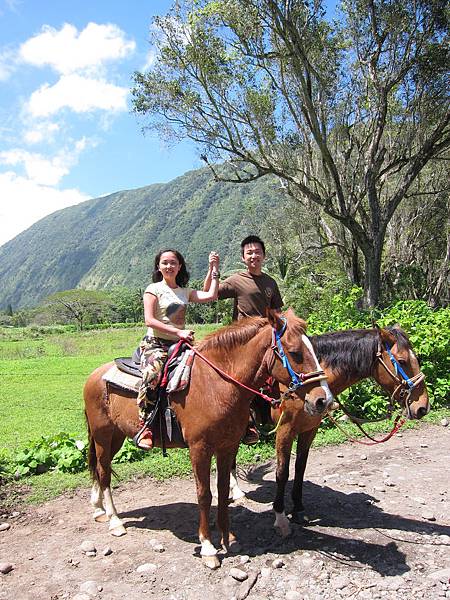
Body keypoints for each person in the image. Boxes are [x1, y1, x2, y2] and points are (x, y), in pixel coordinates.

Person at [136, 248, 220, 449]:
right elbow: (149, 320)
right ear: (159, 266)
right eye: (165, 262)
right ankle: (145, 425)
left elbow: (211, 294)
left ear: (179, 266)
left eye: (173, 262)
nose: (169, 266)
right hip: (156, 344)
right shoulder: (153, 289)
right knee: (152, 376)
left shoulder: (184, 291)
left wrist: (213, 268)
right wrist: (178, 332)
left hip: (181, 345)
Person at [203, 235, 283, 443]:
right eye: (249, 253)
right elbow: (208, 293)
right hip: (243, 343)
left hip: (267, 340)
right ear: (243, 258)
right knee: (240, 383)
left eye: (257, 252)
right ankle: (245, 425)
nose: (253, 256)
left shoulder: (270, 283)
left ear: (264, 256)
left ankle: (282, 417)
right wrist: (213, 269)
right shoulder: (237, 280)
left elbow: (277, 312)